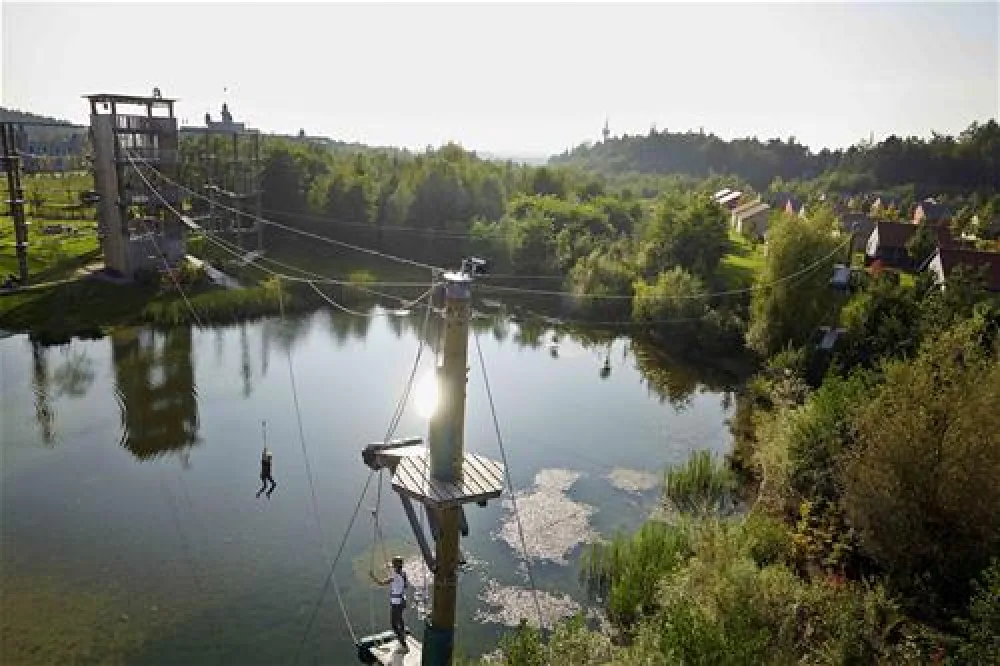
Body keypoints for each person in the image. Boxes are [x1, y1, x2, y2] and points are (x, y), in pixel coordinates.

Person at [372, 555, 409, 653]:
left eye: (393, 564)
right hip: (402, 601)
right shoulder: (403, 574)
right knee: (400, 619)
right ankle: (403, 635)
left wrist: (372, 576)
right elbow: (405, 585)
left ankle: (404, 646)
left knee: (393, 624)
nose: (392, 566)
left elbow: (381, 583)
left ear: (395, 566)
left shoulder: (394, 576)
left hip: (396, 603)